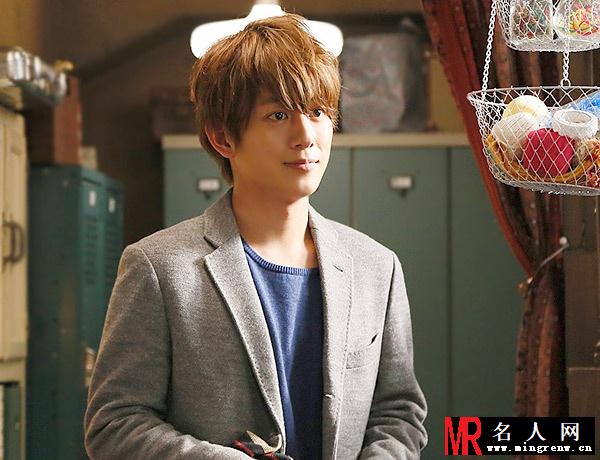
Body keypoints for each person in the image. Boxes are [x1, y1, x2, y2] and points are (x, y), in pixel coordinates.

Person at [84, 13, 427, 460]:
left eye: (318, 112)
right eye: (278, 115)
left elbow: (398, 413)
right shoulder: (159, 267)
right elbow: (114, 424)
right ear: (223, 137)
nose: (306, 136)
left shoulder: (376, 268)